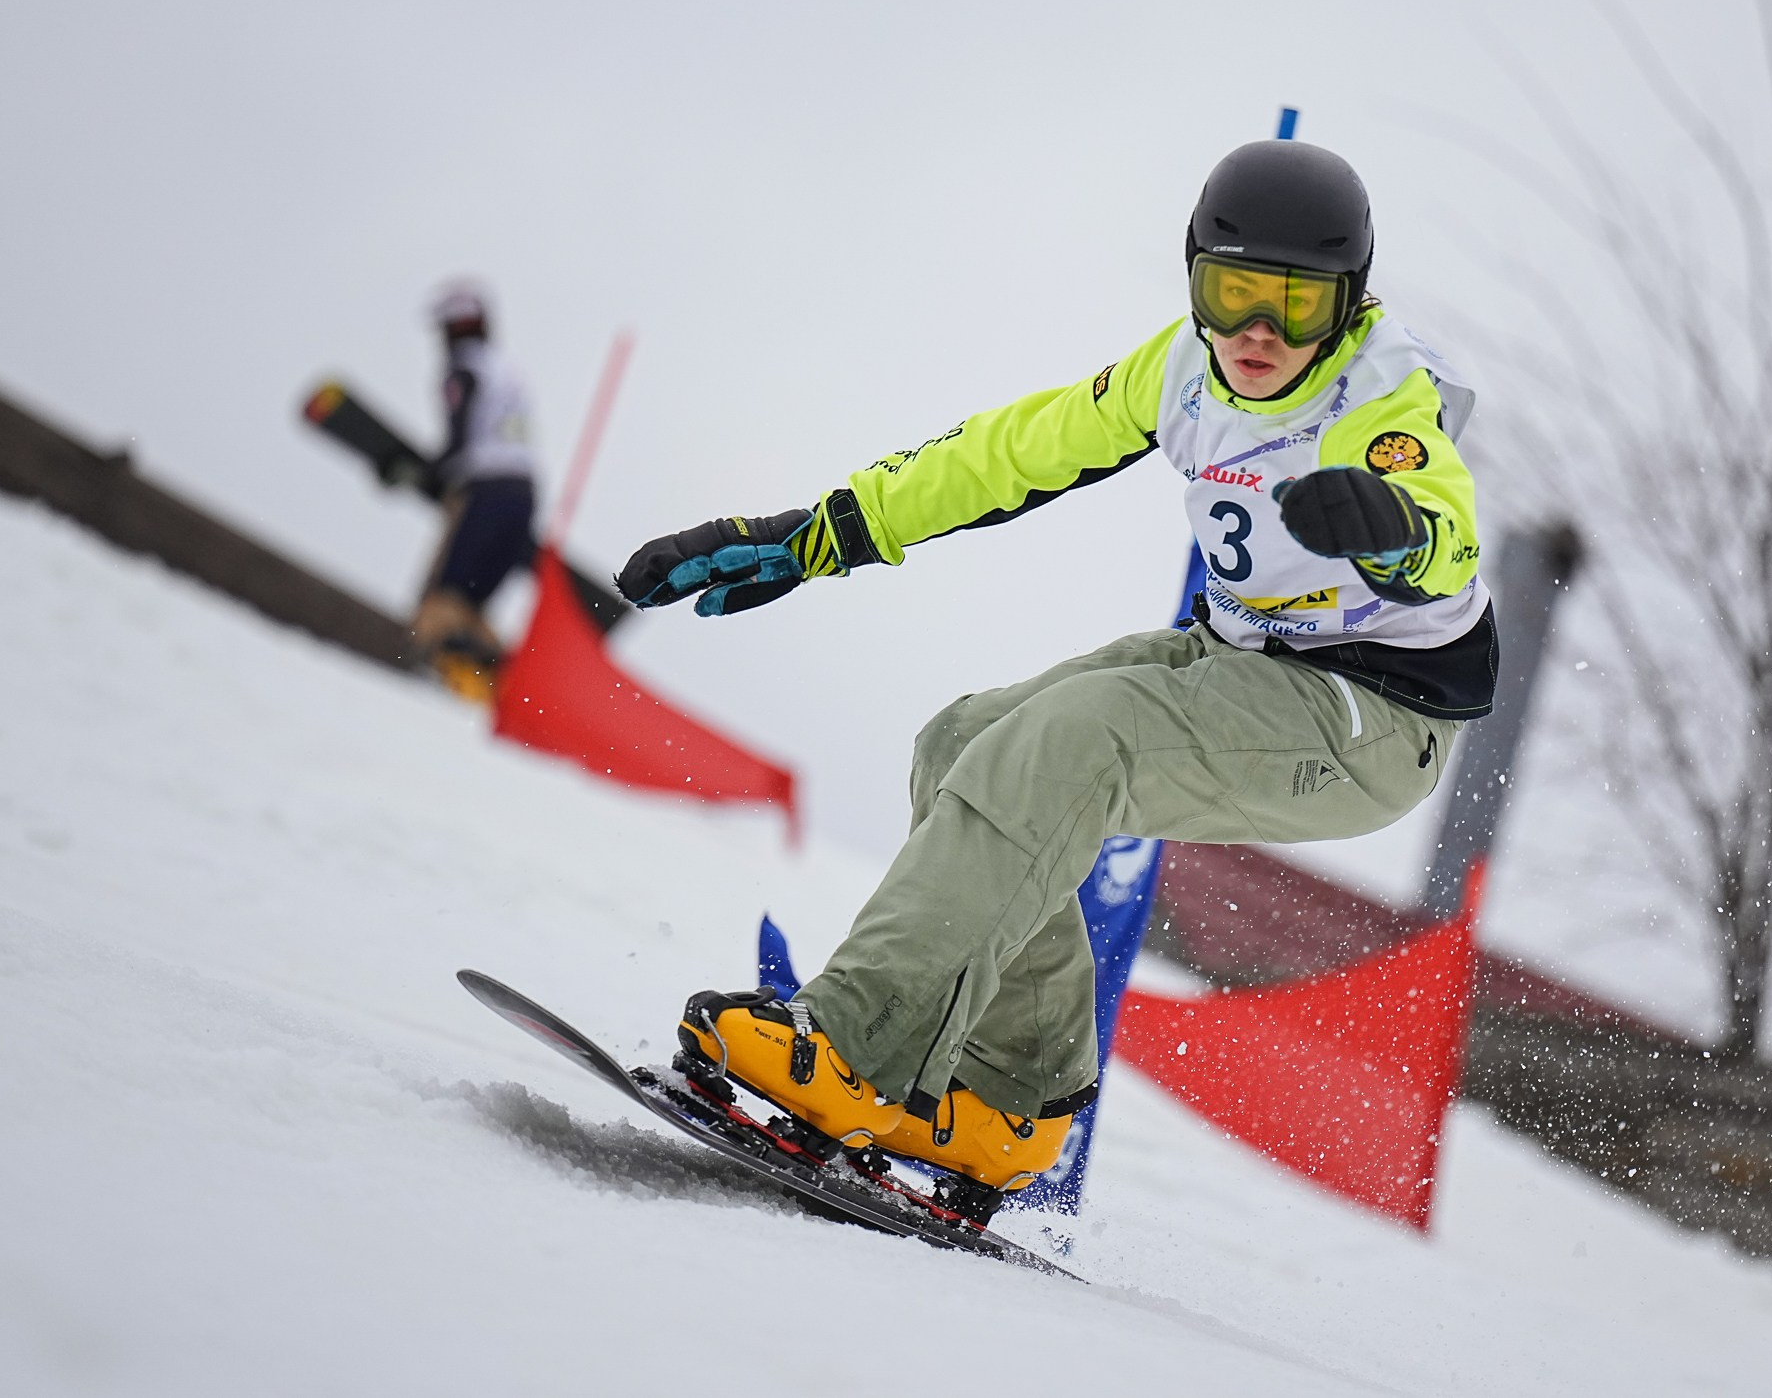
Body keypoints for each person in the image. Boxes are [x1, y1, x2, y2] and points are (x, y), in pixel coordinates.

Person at [615, 140, 1494, 1222]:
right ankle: (1007, 1101)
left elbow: (1444, 525)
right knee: (966, 741)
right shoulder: (1184, 368)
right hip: (1244, 657)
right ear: (1195, 278)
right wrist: (823, 532)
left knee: (1081, 739)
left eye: (1297, 305)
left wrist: (1396, 531)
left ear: (1348, 303)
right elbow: (1018, 449)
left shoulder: (1381, 399)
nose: (1259, 333)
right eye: (1233, 294)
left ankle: (848, 1046)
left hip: (1375, 714)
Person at [411, 281, 537, 698]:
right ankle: (498, 684)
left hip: (485, 491)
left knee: (442, 600)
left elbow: (459, 439)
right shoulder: (508, 370)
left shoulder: (463, 369)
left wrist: (429, 472)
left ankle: (437, 679)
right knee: (473, 602)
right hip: (524, 495)